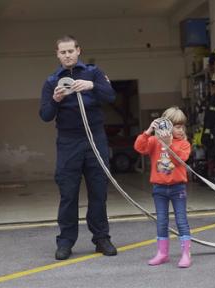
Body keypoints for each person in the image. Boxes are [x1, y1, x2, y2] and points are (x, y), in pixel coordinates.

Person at [39, 35, 117, 260]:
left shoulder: (93, 73)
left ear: (78, 50)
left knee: (98, 192)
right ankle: (65, 242)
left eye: (70, 51)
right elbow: (45, 115)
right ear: (57, 54)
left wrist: (93, 86)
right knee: (68, 194)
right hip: (68, 142)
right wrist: (55, 100)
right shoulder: (52, 80)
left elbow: (110, 96)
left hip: (95, 139)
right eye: (62, 52)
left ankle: (102, 238)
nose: (67, 55)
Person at [134, 107, 192, 268]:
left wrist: (168, 145)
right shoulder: (154, 141)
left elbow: (180, 159)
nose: (181, 130)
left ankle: (186, 255)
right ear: (166, 126)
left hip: (177, 188)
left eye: (182, 126)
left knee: (181, 220)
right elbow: (139, 147)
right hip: (159, 189)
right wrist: (149, 131)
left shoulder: (184, 144)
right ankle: (162, 253)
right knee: (161, 221)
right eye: (177, 126)